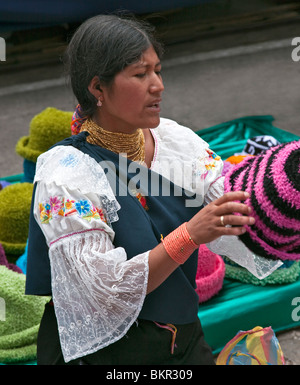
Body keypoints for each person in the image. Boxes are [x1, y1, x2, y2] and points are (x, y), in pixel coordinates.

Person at [25, 14, 255, 365]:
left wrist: (280, 182)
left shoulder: (173, 142)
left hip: (183, 336)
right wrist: (190, 235)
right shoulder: (65, 177)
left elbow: (229, 195)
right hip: (107, 352)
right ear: (97, 88)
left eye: (157, 70)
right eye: (139, 74)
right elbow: (108, 291)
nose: (158, 85)